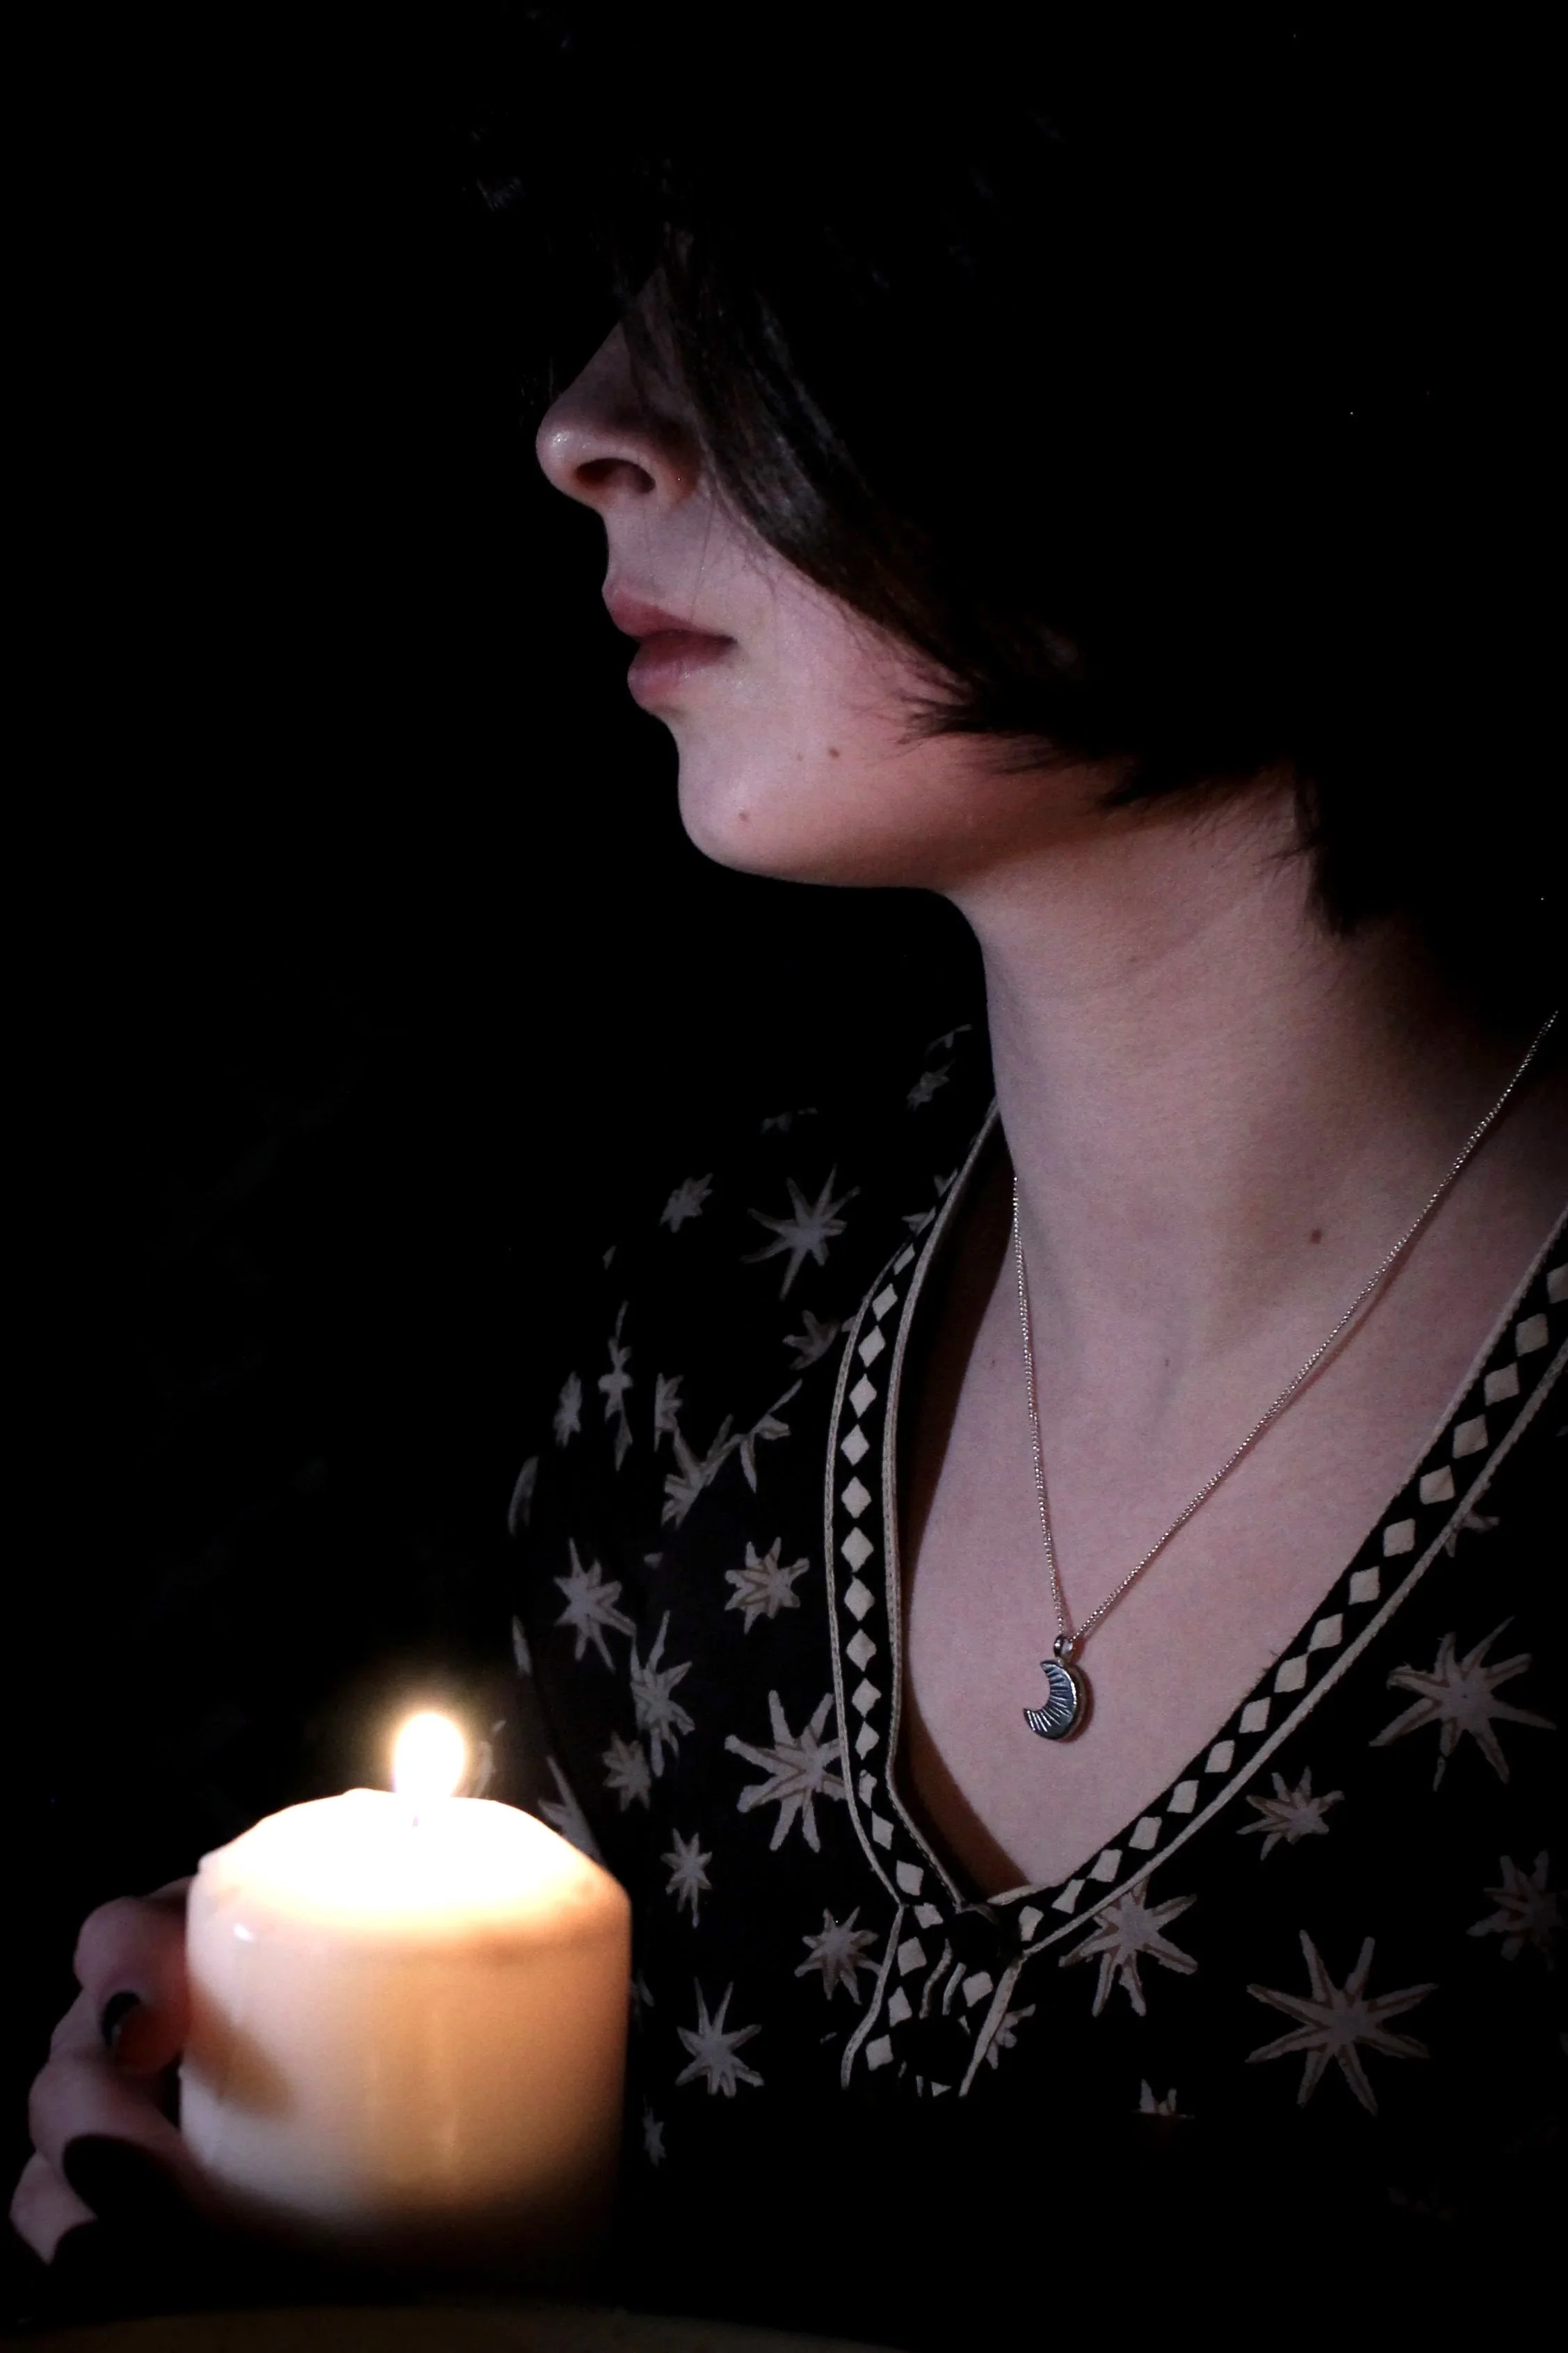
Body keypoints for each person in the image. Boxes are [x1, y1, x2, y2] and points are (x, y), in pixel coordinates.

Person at [17, 17, 1565, 2345]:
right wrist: (279, 2220)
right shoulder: (718, 1331)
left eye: (765, 308)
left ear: (1182, 317)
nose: (585, 429)